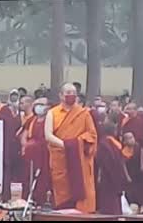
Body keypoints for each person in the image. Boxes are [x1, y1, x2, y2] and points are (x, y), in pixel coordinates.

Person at [45, 83, 97, 213]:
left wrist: (74, 146)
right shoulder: (52, 113)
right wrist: (66, 146)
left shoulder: (83, 113)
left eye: (73, 93)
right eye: (68, 92)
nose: (71, 95)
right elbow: (48, 135)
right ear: (61, 95)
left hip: (79, 159)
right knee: (62, 188)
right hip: (60, 157)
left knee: (81, 187)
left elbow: (92, 135)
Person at [0, 92, 22, 200]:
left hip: (4, 150)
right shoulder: (5, 112)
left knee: (4, 175)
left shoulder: (1, 115)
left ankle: (3, 197)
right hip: (8, 149)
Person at [18, 97, 51, 201]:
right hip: (30, 153)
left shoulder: (51, 119)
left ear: (48, 107)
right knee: (27, 178)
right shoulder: (31, 120)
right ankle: (26, 199)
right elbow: (23, 135)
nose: (38, 107)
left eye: (41, 104)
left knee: (42, 178)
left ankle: (40, 200)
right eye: (36, 104)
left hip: (45, 153)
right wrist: (26, 146)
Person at [95, 120, 129, 215]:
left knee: (109, 204)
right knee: (112, 205)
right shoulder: (110, 144)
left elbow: (100, 160)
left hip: (108, 178)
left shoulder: (104, 143)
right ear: (113, 131)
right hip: (111, 178)